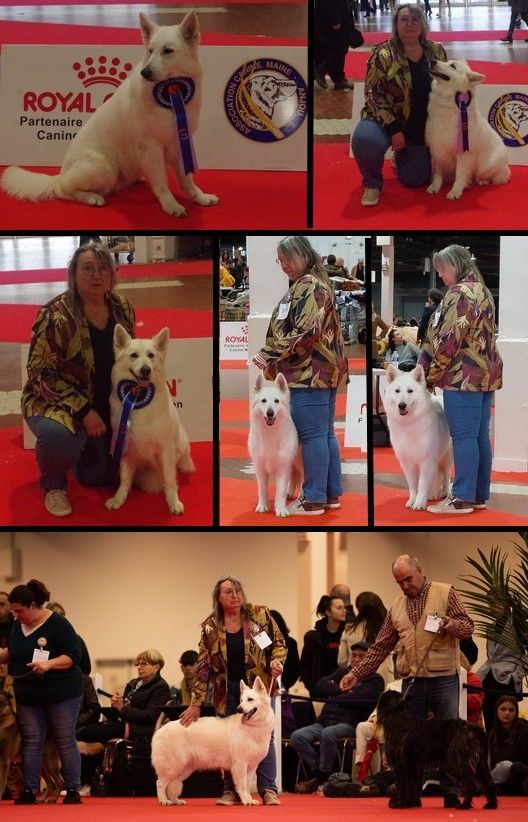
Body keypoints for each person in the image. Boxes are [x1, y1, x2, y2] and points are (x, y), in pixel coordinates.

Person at [340, 555, 475, 809]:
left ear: (420, 570)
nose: (404, 586)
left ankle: (451, 793)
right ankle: (409, 794)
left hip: (443, 677)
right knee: (407, 747)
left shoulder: (445, 593)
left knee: (448, 739)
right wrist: (355, 674)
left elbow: (468, 627)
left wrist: (450, 625)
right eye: (399, 582)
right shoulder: (397, 606)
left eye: (408, 579)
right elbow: (380, 646)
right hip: (412, 681)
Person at [21, 242, 135, 517]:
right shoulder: (55, 315)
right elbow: (40, 374)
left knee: (98, 478)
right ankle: (54, 485)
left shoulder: (123, 308)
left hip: (106, 402)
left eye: (102, 269)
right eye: (87, 269)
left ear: (112, 275)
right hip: (53, 401)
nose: (96, 275)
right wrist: (84, 410)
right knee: (59, 436)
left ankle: (82, 452)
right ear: (73, 275)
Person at [250, 236, 348, 515]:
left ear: (304, 255)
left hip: (310, 372)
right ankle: (329, 494)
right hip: (319, 370)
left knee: (313, 436)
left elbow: (306, 331)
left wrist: (268, 352)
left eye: (288, 260)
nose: (284, 266)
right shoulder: (315, 282)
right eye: (280, 261)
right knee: (324, 434)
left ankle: (314, 498)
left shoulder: (310, 285)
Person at [179, 576, 286, 806]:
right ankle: (231, 791)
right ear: (218, 598)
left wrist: (277, 661)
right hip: (226, 690)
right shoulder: (210, 626)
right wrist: (196, 702)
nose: (235, 595)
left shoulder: (260, 615)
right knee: (228, 740)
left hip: (259, 689)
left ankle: (268, 789)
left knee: (266, 738)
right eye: (228, 591)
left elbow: (278, 644)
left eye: (237, 590)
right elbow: (203, 665)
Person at [418, 245, 503, 514]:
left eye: (442, 269)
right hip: (485, 375)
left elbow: (447, 342)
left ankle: (462, 497)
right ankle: (477, 495)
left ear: (456, 265)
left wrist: (429, 377)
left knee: (464, 437)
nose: (440, 274)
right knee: (478, 436)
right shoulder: (483, 291)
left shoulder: (458, 294)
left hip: (462, 377)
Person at [351, 3, 447, 207]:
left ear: (422, 24)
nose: (410, 25)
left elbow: (447, 86)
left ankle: (404, 156)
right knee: (364, 139)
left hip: (422, 125)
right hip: (387, 119)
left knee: (416, 180)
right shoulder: (382, 53)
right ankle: (373, 183)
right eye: (404, 19)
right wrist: (394, 129)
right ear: (396, 24)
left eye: (415, 20)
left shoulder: (436, 51)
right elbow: (372, 93)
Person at [0, 579, 84, 805]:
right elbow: (14, 651)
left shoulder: (59, 624)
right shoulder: (18, 624)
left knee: (65, 740)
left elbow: (74, 656)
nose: (15, 615)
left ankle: (72, 789)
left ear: (33, 605)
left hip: (62, 691)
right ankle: (29, 790)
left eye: (19, 611)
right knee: (32, 740)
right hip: (29, 693)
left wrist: (49, 664)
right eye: (13, 611)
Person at [292, 642, 384, 793]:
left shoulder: (375, 679)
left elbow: (359, 698)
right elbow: (320, 685)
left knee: (328, 734)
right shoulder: (343, 672)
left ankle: (321, 777)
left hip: (348, 723)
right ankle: (320, 773)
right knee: (297, 736)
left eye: (362, 656)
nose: (357, 659)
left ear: (369, 659)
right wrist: (342, 691)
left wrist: (334, 693)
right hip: (323, 721)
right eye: (354, 655)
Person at [476, 597, 525, 732]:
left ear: (505, 603)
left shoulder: (518, 627)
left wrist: (516, 676)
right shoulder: (490, 627)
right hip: (488, 678)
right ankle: (491, 751)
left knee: (508, 724)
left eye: (496, 602)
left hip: (507, 679)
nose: (492, 607)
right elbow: (491, 655)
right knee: (490, 721)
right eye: (490, 603)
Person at [338, 592, 393, 684]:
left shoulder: (349, 630)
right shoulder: (388, 629)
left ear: (359, 609)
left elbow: (342, 661)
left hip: (354, 678)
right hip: (383, 678)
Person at [300, 595, 347, 696]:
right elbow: (304, 665)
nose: (344, 610)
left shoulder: (348, 634)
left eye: (344, 607)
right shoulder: (314, 637)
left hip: (344, 689)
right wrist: (313, 685)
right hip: (320, 691)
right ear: (328, 612)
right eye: (339, 608)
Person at [488, 696, 528, 794]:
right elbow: (492, 762)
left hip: (520, 774)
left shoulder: (524, 730)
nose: (507, 713)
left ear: (516, 712)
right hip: (500, 777)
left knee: (509, 766)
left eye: (511, 710)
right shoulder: (493, 732)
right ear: (496, 711)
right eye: (503, 709)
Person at [314, 0, 357, 91]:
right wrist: (334, 19)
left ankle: (338, 79)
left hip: (337, 16)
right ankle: (321, 70)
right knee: (340, 48)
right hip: (331, 20)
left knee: (337, 48)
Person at [48, 601, 91, 675]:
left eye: (62, 615)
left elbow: (86, 669)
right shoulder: (42, 638)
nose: (60, 618)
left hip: (72, 681)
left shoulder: (76, 639)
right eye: (55, 615)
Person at [269, 610, 301, 690]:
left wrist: (284, 685)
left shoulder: (290, 643)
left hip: (282, 687)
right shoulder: (261, 643)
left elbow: (295, 668)